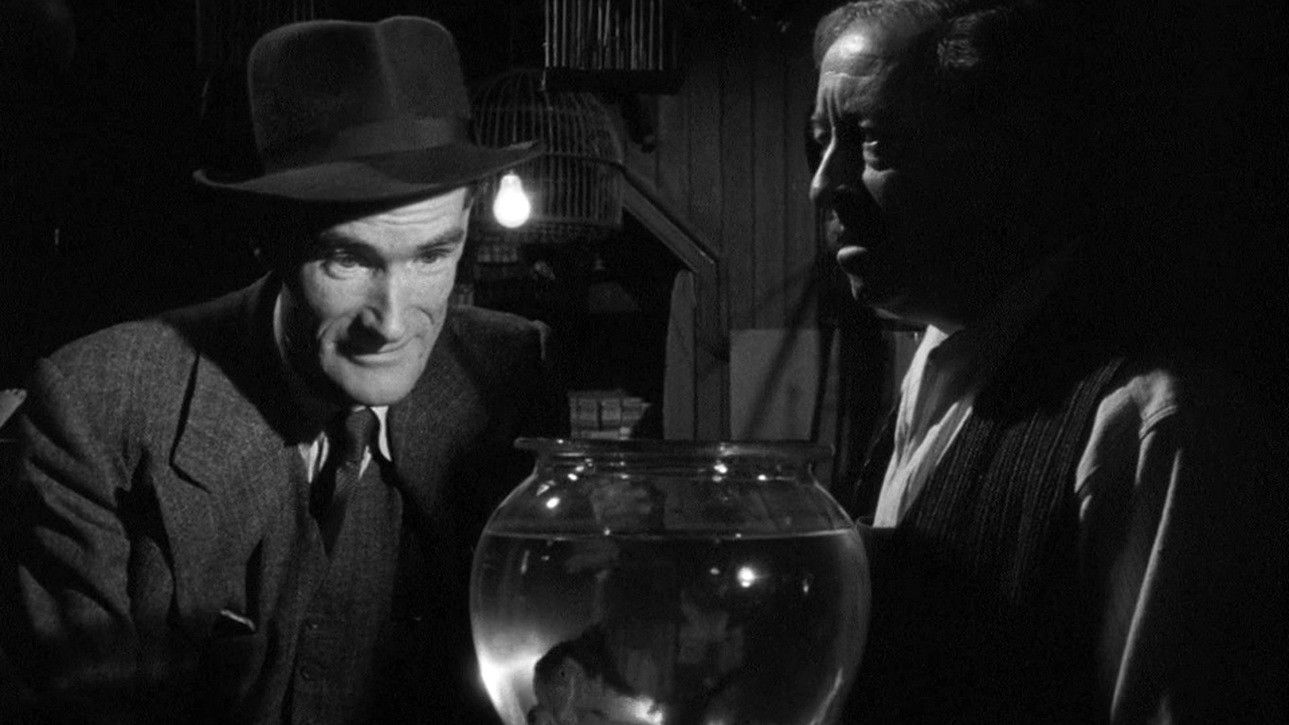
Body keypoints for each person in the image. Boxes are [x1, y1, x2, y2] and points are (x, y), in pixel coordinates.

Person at [0, 16, 566, 723]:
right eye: (347, 260)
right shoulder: (98, 407)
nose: (392, 322)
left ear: (467, 225)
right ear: (272, 238)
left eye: (431, 255)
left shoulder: (510, 378)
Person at [810, 1, 1288, 721]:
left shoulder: (1151, 422)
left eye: (873, 142)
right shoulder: (933, 368)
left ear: (1008, 151)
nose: (823, 184)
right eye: (821, 144)